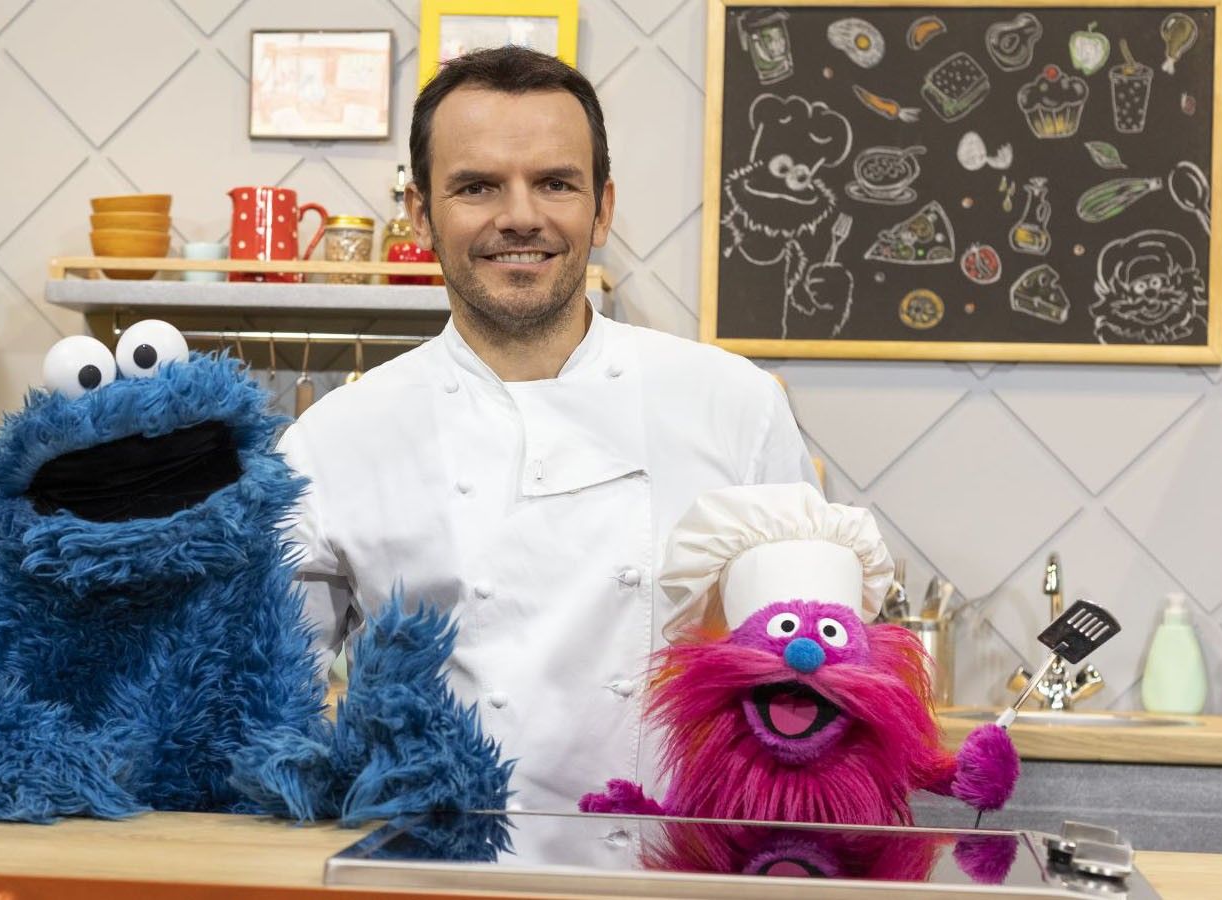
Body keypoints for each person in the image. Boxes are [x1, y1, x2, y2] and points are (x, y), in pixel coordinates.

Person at [275, 46, 822, 813]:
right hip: (427, 866)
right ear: (421, 214)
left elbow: (820, 684)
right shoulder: (331, 442)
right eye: (477, 186)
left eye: (555, 183)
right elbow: (266, 706)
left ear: (602, 209)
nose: (520, 216)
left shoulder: (737, 404)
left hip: (678, 864)